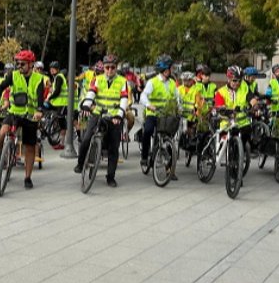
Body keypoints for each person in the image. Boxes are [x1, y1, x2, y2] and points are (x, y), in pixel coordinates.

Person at [0, 49, 46, 189]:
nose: (19, 66)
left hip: (30, 115)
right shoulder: (13, 75)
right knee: (1, 134)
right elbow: (1, 88)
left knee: (30, 146)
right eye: (18, 63)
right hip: (14, 112)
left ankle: (27, 177)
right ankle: (1, 153)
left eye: (23, 64)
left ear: (31, 65)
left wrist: (39, 111)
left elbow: (40, 98)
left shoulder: (38, 79)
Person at [75, 54, 128, 187]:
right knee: (86, 138)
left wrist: (119, 115)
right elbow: (91, 93)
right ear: (103, 68)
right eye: (107, 68)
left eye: (112, 68)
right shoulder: (97, 79)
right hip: (98, 113)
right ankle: (81, 163)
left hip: (114, 117)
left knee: (113, 147)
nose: (109, 70)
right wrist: (87, 105)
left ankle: (110, 176)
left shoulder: (122, 81)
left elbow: (124, 99)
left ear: (116, 68)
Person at [139, 54, 180, 177]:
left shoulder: (172, 83)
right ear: (165, 69)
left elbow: (177, 97)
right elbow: (143, 96)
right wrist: (148, 105)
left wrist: (180, 107)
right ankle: (144, 157)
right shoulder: (153, 82)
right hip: (153, 113)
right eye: (170, 68)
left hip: (166, 114)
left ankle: (170, 170)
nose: (172, 70)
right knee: (148, 131)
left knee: (169, 140)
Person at [44, 61, 68, 149]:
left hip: (62, 103)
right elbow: (53, 90)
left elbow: (57, 91)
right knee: (42, 107)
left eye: (53, 69)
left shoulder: (59, 77)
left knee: (62, 123)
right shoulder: (55, 78)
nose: (51, 70)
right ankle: (46, 125)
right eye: (50, 69)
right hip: (56, 103)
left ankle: (61, 143)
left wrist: (49, 98)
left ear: (57, 69)